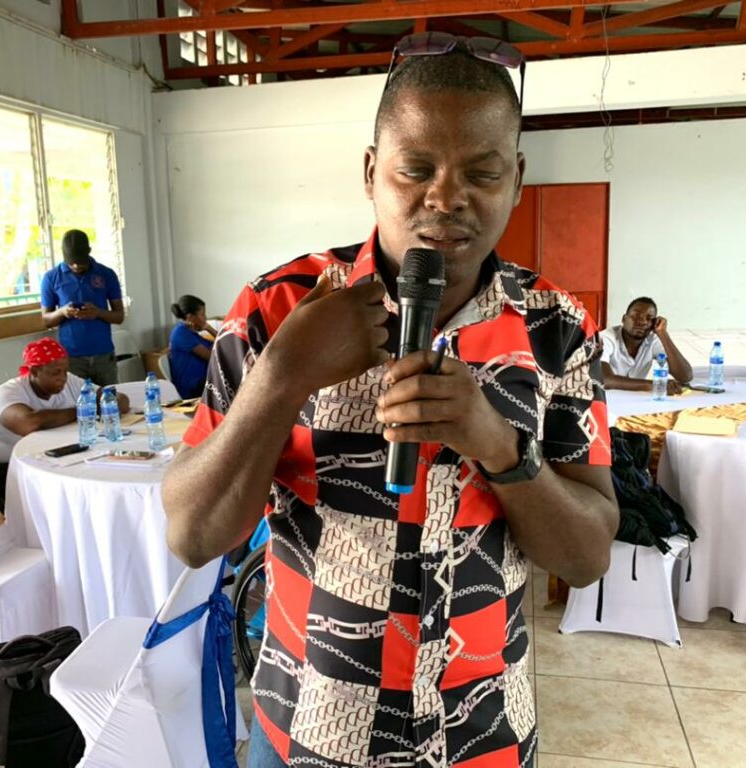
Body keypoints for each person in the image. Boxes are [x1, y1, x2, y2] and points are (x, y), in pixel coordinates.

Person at [162, 36, 618, 768]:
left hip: (485, 736)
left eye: (482, 172)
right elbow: (193, 534)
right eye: (416, 169)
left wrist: (496, 443)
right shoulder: (277, 309)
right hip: (308, 734)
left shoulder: (556, 328)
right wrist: (284, 374)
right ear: (373, 172)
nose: (446, 198)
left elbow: (588, 552)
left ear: (517, 179)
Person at [0, 337, 129, 510]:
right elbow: (29, 423)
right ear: (34, 372)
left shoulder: (69, 381)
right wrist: (82, 411)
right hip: (7, 469)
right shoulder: (7, 393)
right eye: (55, 373)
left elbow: (118, 399)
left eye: (65, 371)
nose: (63, 378)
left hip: (55, 458)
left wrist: (109, 402)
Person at [40, 229, 124, 385]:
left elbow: (119, 316)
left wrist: (97, 312)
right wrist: (63, 312)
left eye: (80, 261)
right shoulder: (51, 278)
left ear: (89, 252)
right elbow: (46, 320)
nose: (76, 265)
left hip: (104, 356)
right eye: (71, 262)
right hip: (71, 358)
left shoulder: (106, 274)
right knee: (76, 405)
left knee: (110, 402)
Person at [600, 297, 691, 395]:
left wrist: (663, 334)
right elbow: (605, 379)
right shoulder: (605, 338)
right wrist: (654, 385)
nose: (642, 322)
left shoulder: (652, 339)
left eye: (649, 319)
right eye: (635, 316)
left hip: (635, 400)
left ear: (654, 324)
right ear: (624, 319)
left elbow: (685, 376)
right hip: (602, 400)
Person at [167, 294, 218, 399]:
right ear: (190, 317)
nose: (205, 318)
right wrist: (208, 328)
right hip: (191, 387)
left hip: (201, 382)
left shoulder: (192, 333)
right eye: (202, 314)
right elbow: (211, 356)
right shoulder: (181, 333)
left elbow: (221, 342)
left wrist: (208, 328)